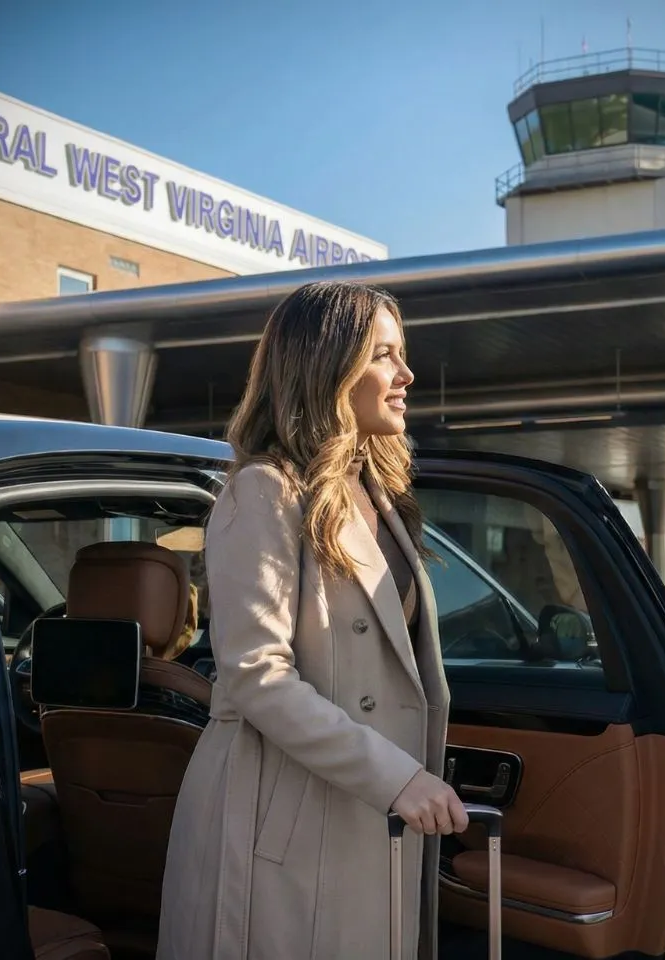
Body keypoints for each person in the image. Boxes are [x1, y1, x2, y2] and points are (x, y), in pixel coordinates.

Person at [156, 280, 466, 960]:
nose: (406, 374)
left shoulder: (379, 496)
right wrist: (398, 777)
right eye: (384, 355)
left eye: (401, 354)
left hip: (358, 806)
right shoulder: (262, 492)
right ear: (328, 366)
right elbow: (257, 675)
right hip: (281, 817)